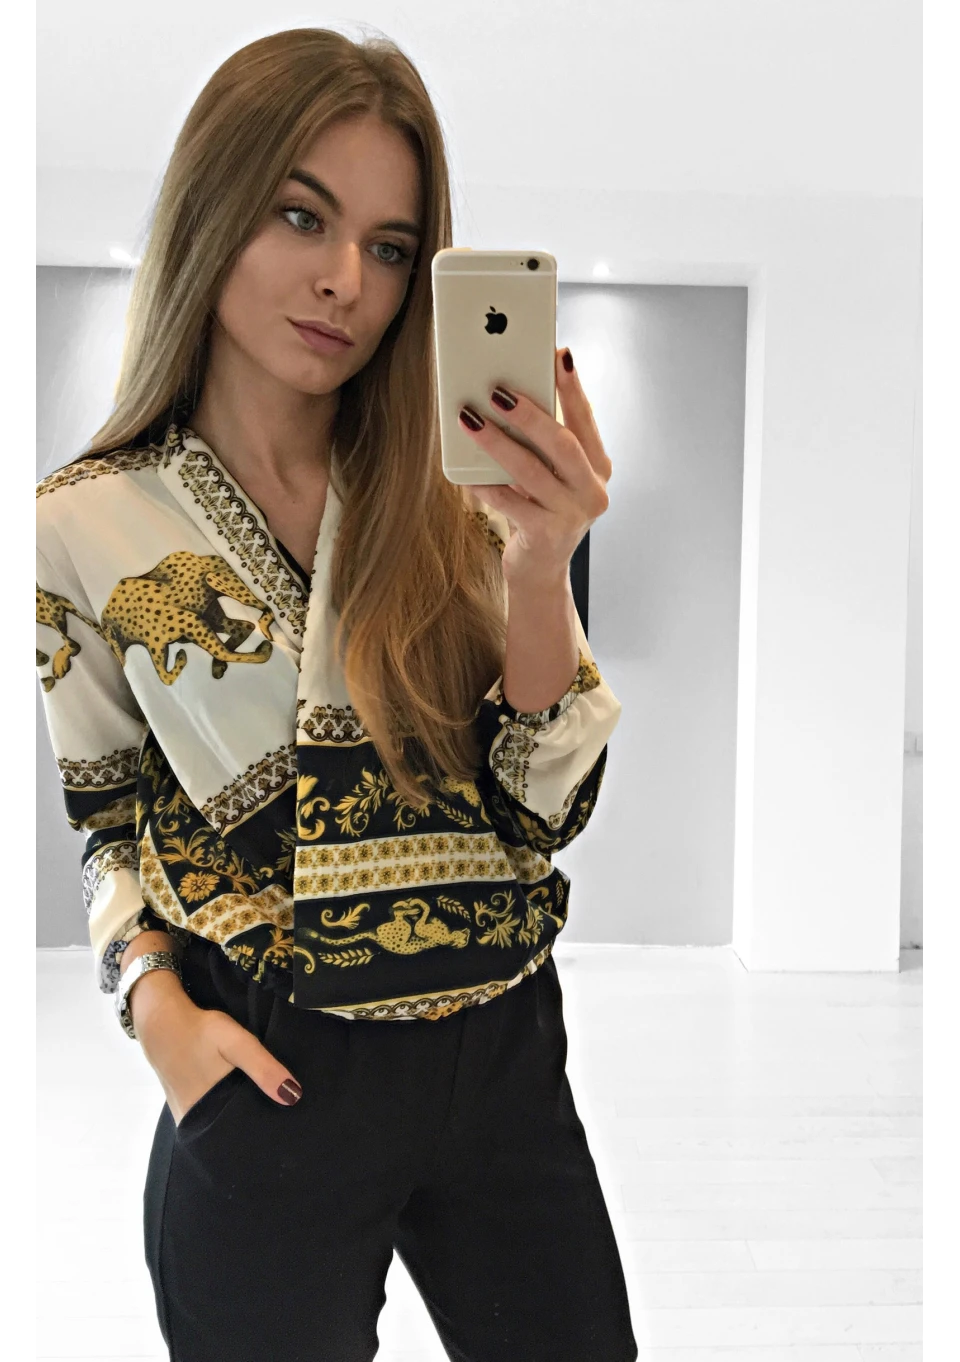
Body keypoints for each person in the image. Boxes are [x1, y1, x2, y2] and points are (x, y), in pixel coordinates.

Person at [33, 26, 638, 1362]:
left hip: (500, 1056)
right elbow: (106, 822)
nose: (345, 282)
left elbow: (548, 810)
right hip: (270, 1072)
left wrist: (541, 566)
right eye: (301, 216)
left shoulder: (462, 498)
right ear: (211, 208)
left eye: (390, 246)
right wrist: (158, 1014)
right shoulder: (79, 527)